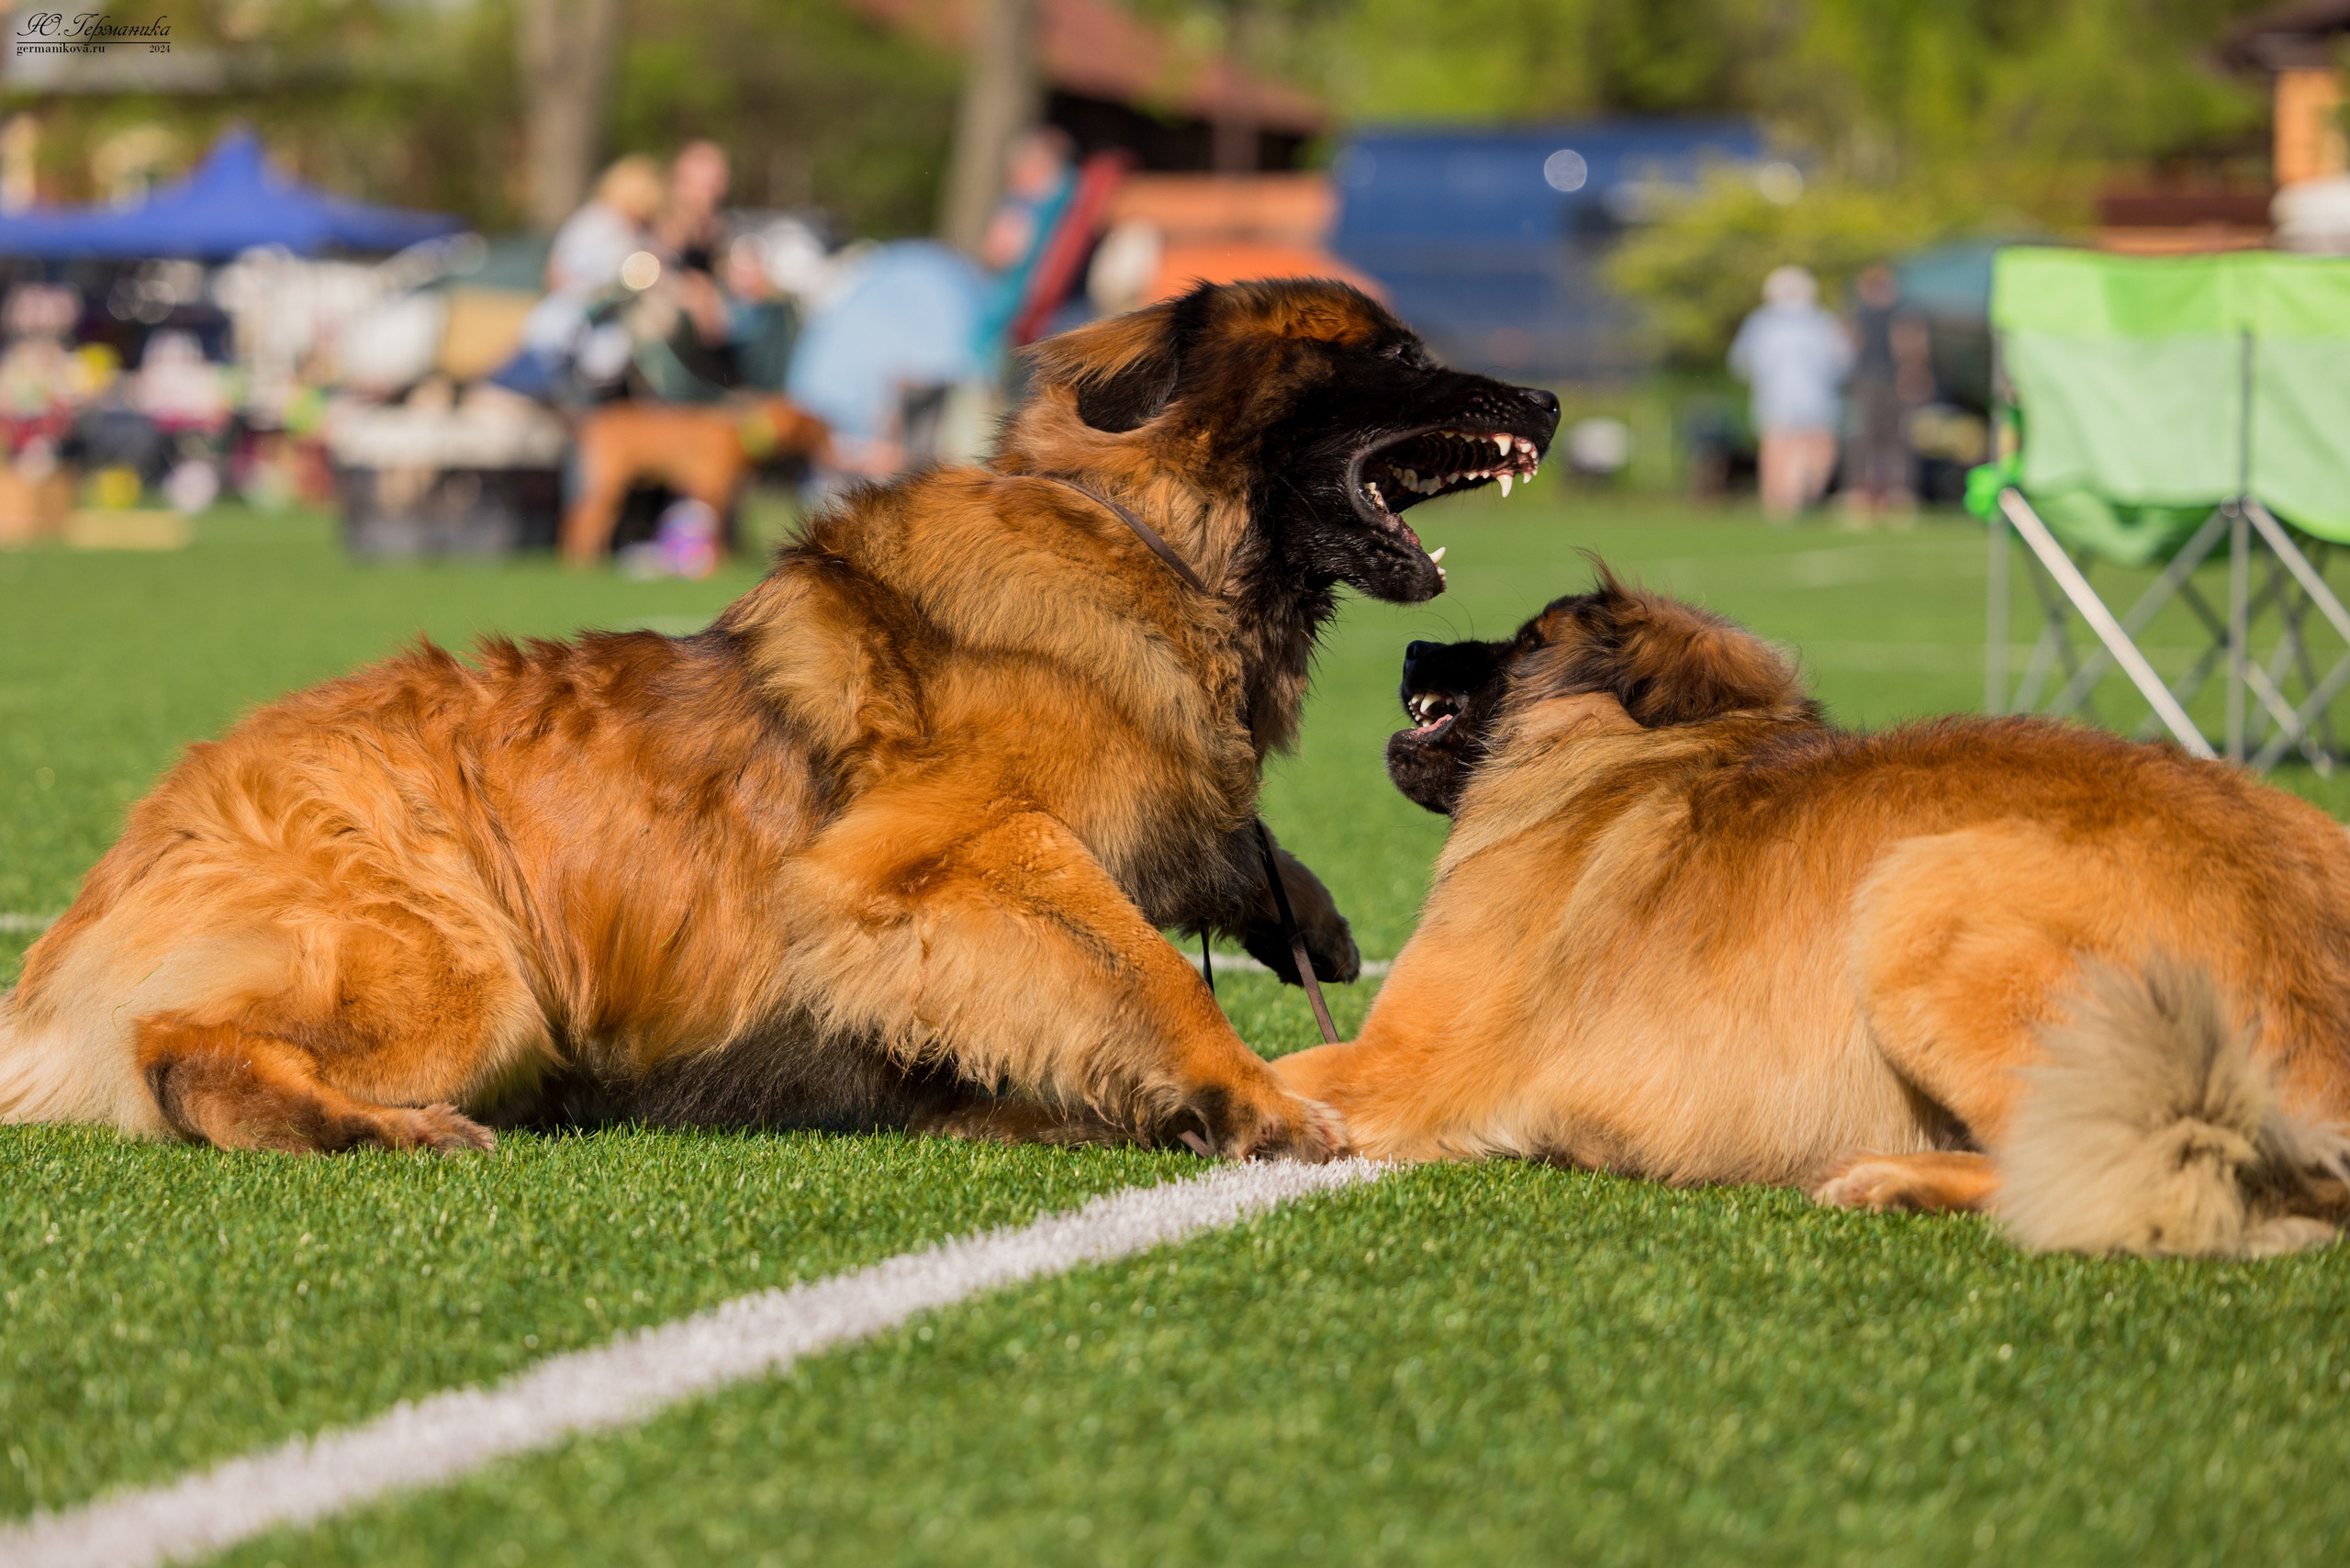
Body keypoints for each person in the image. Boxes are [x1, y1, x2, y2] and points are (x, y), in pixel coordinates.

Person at [492, 155, 666, 401]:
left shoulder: (634, 233)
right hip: (568, 328)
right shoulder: (597, 223)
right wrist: (597, 293)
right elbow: (558, 272)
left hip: (599, 338)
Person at [1728, 264, 1853, 521]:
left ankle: (1786, 502)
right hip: (1808, 399)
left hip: (1790, 399)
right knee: (1802, 450)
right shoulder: (1818, 321)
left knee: (1787, 451)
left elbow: (1740, 363)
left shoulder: (1765, 323)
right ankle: (1791, 499)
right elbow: (1843, 362)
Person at [1842, 264, 1934, 524]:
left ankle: (1891, 496)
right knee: (1876, 441)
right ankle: (1872, 496)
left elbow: (1906, 343)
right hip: (1874, 380)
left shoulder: (1890, 312)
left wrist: (1911, 373)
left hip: (1882, 381)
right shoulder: (1886, 312)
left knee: (1886, 441)